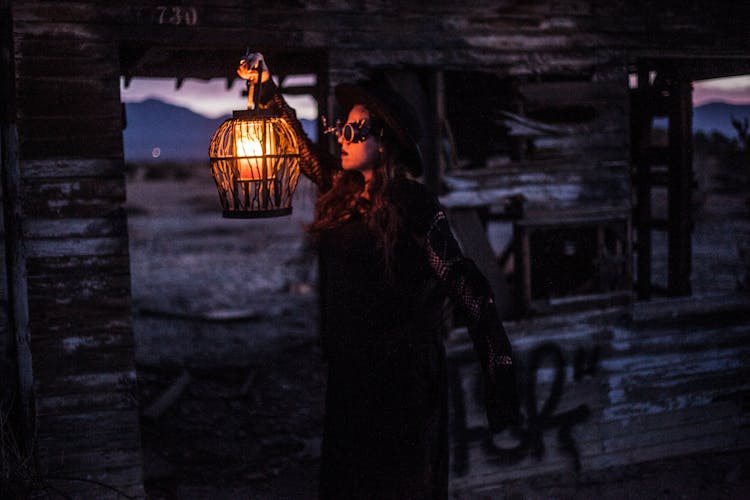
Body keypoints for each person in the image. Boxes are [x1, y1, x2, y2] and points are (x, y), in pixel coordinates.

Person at [239, 53, 520, 499]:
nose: (342, 137)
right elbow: (306, 153)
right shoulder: (343, 193)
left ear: (385, 142)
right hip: (353, 378)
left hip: (403, 385)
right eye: (341, 128)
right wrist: (268, 89)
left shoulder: (415, 205)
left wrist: (499, 370)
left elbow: (467, 286)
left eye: (355, 129)